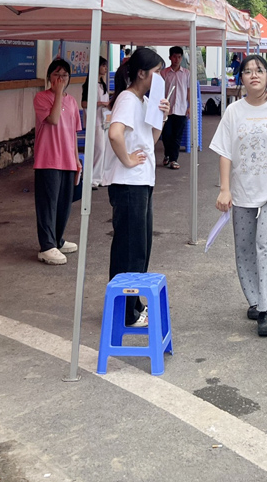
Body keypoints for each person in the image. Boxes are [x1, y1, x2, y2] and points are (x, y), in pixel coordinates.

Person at [211, 55, 267, 337]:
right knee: (244, 247)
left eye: (259, 70)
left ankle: (266, 309)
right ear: (241, 79)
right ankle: (255, 299)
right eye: (247, 71)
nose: (253, 75)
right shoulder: (233, 111)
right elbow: (225, 152)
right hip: (242, 190)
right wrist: (225, 189)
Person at [101, 48, 171, 327]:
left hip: (141, 181)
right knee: (130, 248)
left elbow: (149, 140)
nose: (160, 78)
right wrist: (127, 159)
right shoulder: (128, 99)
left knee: (139, 247)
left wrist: (162, 117)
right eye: (156, 72)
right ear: (141, 73)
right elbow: (114, 133)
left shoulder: (143, 100)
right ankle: (126, 312)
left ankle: (132, 304)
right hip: (129, 183)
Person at [33, 59, 83, 265]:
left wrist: (76, 159)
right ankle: (46, 246)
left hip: (67, 159)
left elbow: (73, 133)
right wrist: (58, 94)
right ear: (49, 77)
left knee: (63, 204)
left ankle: (57, 240)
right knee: (48, 204)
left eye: (64, 75)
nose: (61, 79)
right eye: (56, 74)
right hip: (48, 159)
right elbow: (53, 120)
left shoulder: (72, 102)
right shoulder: (41, 98)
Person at [81, 57, 111, 190]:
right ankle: (93, 178)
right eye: (103, 66)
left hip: (104, 120)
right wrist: (100, 103)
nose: (105, 68)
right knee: (98, 149)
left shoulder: (103, 84)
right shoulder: (89, 84)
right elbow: (84, 103)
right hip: (95, 121)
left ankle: (100, 176)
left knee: (104, 149)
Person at [160, 46, 189, 170]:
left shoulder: (187, 73)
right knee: (166, 135)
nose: (176, 59)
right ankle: (167, 154)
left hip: (181, 109)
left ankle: (173, 159)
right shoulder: (164, 73)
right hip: (167, 109)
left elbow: (189, 90)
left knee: (177, 136)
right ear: (170, 58)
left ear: (181, 58)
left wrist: (190, 106)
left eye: (179, 57)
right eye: (174, 57)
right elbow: (159, 90)